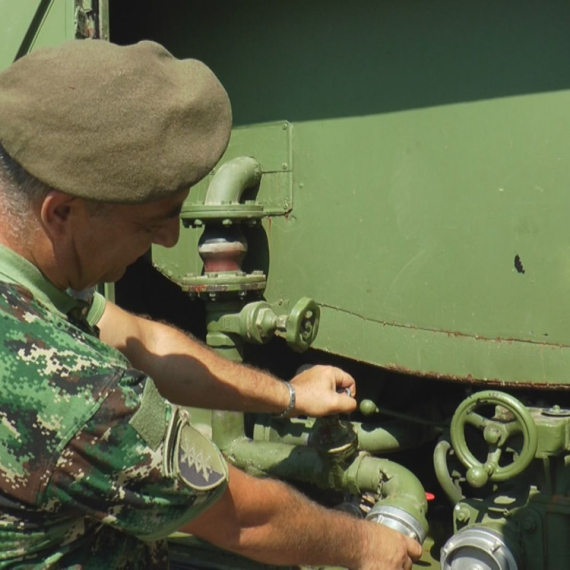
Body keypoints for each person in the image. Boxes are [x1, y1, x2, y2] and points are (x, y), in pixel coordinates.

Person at [0, 40, 422, 569]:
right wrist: (367, 545)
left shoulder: (27, 278)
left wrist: (289, 395)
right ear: (60, 213)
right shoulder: (78, 395)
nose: (172, 239)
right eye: (149, 222)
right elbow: (241, 518)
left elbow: (145, 343)